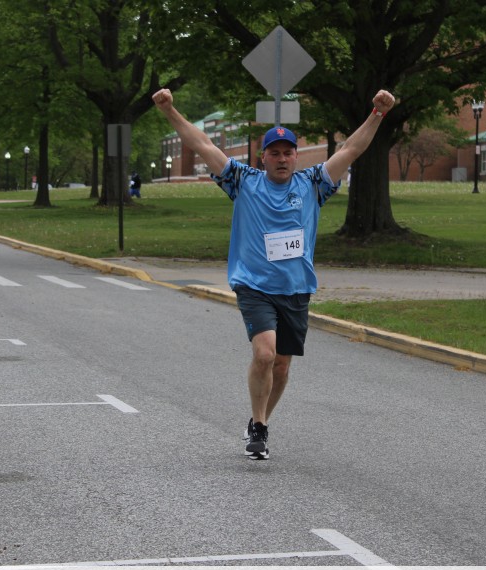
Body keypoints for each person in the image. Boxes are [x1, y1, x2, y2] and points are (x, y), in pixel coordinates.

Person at [154, 86, 396, 461]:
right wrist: (170, 110)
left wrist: (378, 113)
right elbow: (202, 144)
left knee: (281, 367)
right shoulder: (243, 181)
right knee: (265, 355)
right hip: (254, 285)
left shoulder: (313, 184)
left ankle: (260, 420)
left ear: (296, 156)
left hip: (296, 288)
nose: (282, 159)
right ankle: (258, 426)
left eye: (288, 153)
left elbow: (351, 149)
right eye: (274, 153)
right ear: (263, 157)